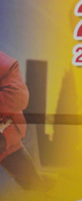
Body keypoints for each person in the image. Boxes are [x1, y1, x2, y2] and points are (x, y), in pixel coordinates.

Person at [0, 51, 51, 192]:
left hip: (6, 130)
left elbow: (18, 97)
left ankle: (45, 190)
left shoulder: (6, 65)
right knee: (33, 184)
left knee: (34, 184)